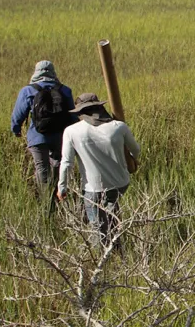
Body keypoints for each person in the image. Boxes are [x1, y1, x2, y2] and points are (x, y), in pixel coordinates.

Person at [57, 93, 141, 246]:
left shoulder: (71, 131)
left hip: (93, 188)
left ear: (80, 112)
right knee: (113, 216)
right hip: (120, 183)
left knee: (97, 226)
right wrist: (130, 160)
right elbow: (135, 150)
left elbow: (67, 163)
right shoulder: (118, 126)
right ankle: (117, 249)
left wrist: (62, 187)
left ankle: (101, 259)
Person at [11, 60, 75, 203]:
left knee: (42, 168)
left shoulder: (28, 90)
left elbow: (18, 114)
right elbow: (73, 115)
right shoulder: (65, 90)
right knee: (58, 163)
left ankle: (47, 202)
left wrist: (16, 129)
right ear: (53, 72)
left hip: (37, 137)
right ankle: (59, 194)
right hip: (60, 136)